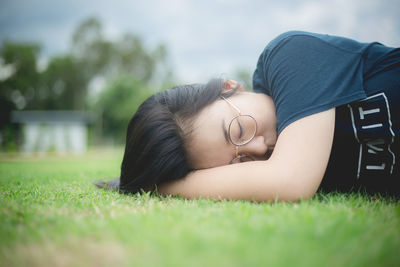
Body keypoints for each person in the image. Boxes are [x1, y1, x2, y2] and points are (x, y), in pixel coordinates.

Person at [96, 31, 400, 201]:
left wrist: (161, 188)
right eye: (237, 164)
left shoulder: (290, 57)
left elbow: (290, 181)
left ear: (230, 87)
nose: (258, 150)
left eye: (239, 131)